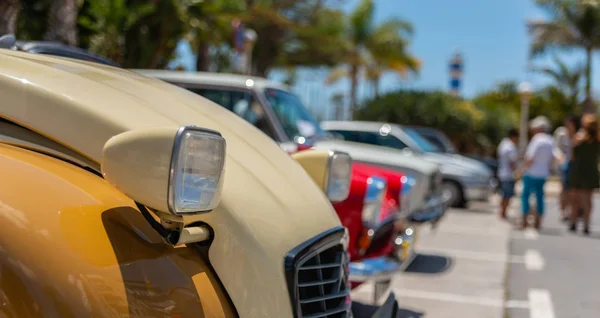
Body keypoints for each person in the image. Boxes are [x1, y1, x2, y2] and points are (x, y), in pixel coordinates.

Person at [520, 116, 555, 229]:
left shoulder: (537, 139)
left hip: (531, 173)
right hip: (543, 173)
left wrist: (523, 168)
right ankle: (538, 221)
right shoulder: (550, 140)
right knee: (540, 196)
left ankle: (525, 220)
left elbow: (530, 157)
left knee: (526, 196)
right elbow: (552, 158)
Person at [568, 113, 600, 235]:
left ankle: (574, 221)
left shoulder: (578, 138)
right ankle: (586, 224)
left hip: (579, 170)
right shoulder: (597, 140)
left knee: (575, 198)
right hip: (591, 171)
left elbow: (572, 156)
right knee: (587, 199)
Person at [554, 115, 581, 221]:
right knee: (564, 189)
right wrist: (560, 157)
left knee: (573, 190)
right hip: (564, 164)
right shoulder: (561, 133)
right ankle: (563, 211)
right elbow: (555, 147)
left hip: (575, 165)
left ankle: (572, 211)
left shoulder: (579, 135)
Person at [497, 128, 519, 219]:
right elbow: (512, 161)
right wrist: (517, 171)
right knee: (507, 195)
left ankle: (502, 212)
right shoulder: (510, 146)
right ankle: (503, 213)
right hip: (508, 174)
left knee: (504, 194)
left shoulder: (503, 144)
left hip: (502, 172)